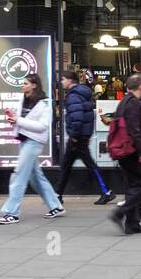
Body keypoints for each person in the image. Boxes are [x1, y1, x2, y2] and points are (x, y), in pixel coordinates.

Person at [0, 73, 64, 224]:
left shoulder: (44, 103)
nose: (23, 85)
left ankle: (12, 212)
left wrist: (18, 120)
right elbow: (22, 120)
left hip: (34, 142)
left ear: (34, 85)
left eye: (26, 83)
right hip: (25, 140)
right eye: (23, 83)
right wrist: (13, 119)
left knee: (18, 175)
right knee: (35, 177)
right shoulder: (23, 99)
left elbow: (42, 126)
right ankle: (55, 205)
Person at [107, 74, 141, 234]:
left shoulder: (124, 101)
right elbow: (134, 130)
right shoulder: (133, 103)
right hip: (131, 151)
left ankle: (132, 224)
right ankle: (120, 214)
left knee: (133, 185)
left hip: (125, 150)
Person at [56, 70, 113, 205]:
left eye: (63, 79)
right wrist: (86, 135)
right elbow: (89, 116)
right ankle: (57, 194)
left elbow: (77, 117)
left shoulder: (73, 96)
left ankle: (106, 192)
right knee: (70, 165)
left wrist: (75, 136)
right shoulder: (84, 94)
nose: (61, 82)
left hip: (77, 138)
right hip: (81, 137)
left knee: (70, 166)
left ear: (70, 80)